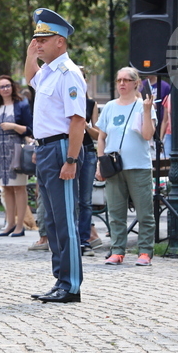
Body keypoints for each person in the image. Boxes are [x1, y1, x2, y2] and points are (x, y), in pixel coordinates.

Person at [24, 8, 87, 304]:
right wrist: (31, 53)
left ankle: (71, 285)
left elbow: (77, 121)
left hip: (62, 148)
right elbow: (30, 77)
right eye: (36, 38)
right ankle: (60, 280)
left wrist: (71, 161)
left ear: (60, 41)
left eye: (44, 38)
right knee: (51, 221)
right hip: (46, 148)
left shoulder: (69, 73)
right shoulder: (49, 73)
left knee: (64, 222)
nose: (38, 43)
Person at [96, 67, 157, 267]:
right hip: (114, 167)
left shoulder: (144, 105)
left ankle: (145, 251)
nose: (122, 83)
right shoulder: (110, 107)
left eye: (126, 80)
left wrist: (147, 111)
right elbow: (102, 137)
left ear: (135, 84)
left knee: (144, 212)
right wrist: (100, 161)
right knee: (115, 211)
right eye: (119, 80)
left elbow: (148, 135)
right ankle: (117, 250)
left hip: (138, 166)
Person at [0, 74, 33, 238]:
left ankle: (20, 225)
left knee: (19, 187)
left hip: (17, 148)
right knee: (6, 187)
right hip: (1, 149)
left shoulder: (21, 104)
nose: (5, 89)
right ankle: (10, 223)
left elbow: (30, 129)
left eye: (7, 86)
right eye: (1, 87)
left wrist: (13, 126)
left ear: (12, 87)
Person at [77, 73, 103, 255]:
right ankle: (68, 239)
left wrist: (86, 126)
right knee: (68, 199)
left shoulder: (91, 104)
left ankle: (83, 240)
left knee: (85, 200)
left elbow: (98, 135)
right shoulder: (63, 100)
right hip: (66, 150)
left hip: (86, 152)